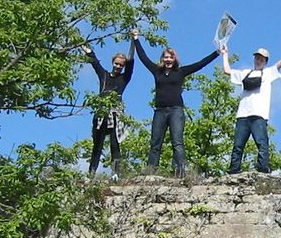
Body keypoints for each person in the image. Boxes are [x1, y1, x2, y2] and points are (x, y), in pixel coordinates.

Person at [134, 37, 219, 176]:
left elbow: (200, 64)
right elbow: (143, 57)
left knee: (177, 142)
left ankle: (180, 172)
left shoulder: (180, 72)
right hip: (160, 111)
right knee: (155, 142)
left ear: (174, 59)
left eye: (171, 57)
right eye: (166, 57)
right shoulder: (157, 71)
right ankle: (150, 172)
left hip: (176, 111)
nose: (168, 60)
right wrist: (136, 40)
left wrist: (216, 53)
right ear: (162, 59)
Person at [221, 37, 281, 173]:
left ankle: (262, 168)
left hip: (259, 114)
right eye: (257, 58)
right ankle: (234, 169)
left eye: (262, 59)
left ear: (265, 61)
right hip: (243, 114)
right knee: (238, 145)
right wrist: (225, 54)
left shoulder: (268, 72)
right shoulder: (245, 73)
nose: (258, 60)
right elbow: (227, 70)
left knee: (262, 143)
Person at [81, 31, 136, 177]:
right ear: (113, 63)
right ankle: (91, 174)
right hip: (101, 111)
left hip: (115, 112)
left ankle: (116, 173)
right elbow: (94, 62)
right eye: (116, 64)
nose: (118, 66)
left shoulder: (124, 78)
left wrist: (133, 41)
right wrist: (83, 46)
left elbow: (131, 61)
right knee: (97, 144)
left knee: (114, 143)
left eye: (121, 65)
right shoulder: (104, 75)